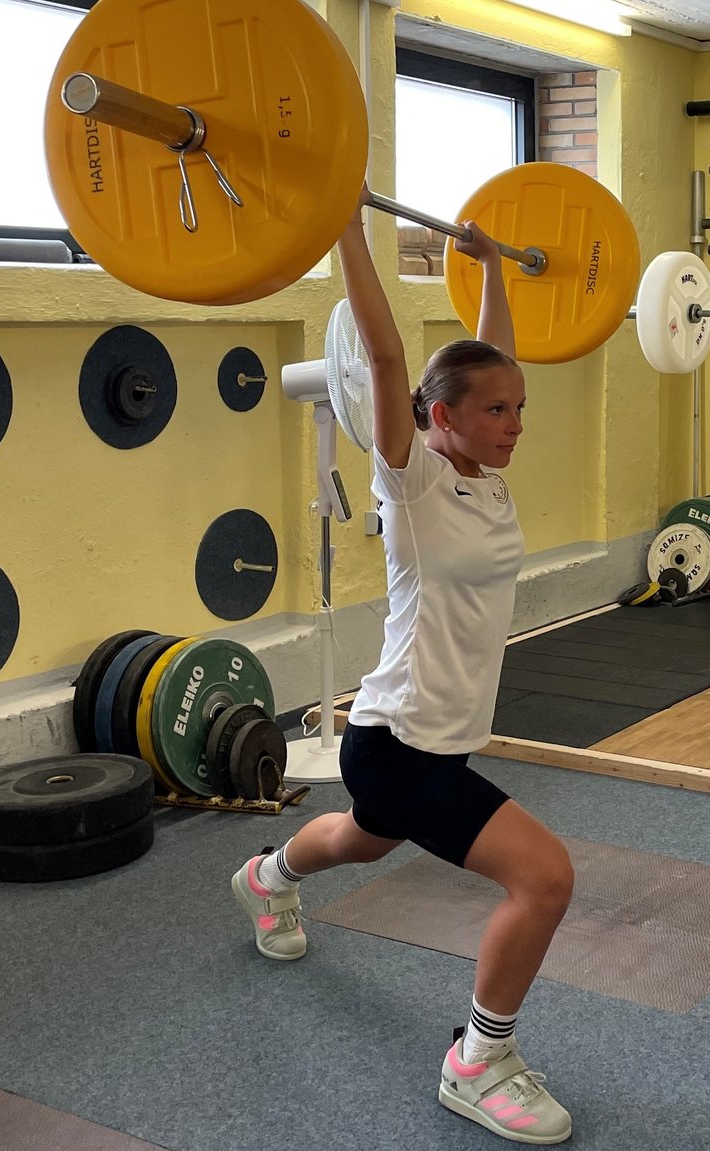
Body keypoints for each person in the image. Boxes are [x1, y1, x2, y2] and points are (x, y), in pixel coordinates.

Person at [229, 193, 577, 1145]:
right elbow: (387, 359)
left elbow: (483, 357)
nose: (514, 422)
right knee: (544, 879)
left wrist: (493, 268)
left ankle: (265, 876)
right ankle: (478, 1059)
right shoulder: (413, 481)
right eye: (496, 411)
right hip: (400, 743)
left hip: (431, 741)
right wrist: (346, 229)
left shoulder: (484, 469)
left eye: (518, 408)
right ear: (437, 418)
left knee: (364, 842)